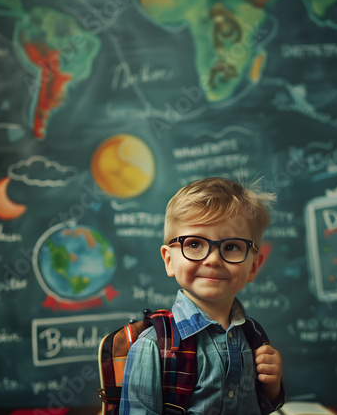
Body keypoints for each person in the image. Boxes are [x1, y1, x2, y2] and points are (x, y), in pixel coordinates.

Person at [121, 177, 285, 414]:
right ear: (169, 261)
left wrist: (272, 388)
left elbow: (261, 407)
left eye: (231, 246)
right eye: (195, 243)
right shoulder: (154, 346)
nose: (213, 259)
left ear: (253, 267)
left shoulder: (254, 336)